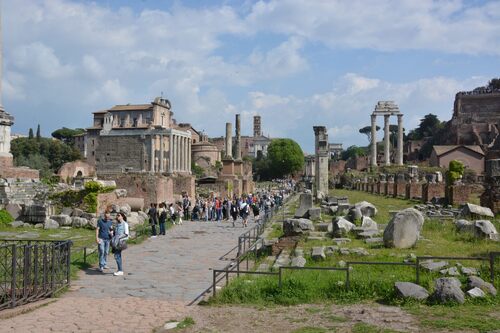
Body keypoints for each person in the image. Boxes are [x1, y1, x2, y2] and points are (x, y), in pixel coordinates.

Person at [113, 212, 129, 276]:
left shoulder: (125, 224)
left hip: (120, 242)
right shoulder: (117, 224)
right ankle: (120, 270)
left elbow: (126, 234)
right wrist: (112, 233)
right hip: (116, 242)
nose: (117, 216)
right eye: (117, 215)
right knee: (118, 255)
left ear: (122, 216)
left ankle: (120, 270)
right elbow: (115, 233)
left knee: (117, 255)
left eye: (119, 215)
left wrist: (119, 237)